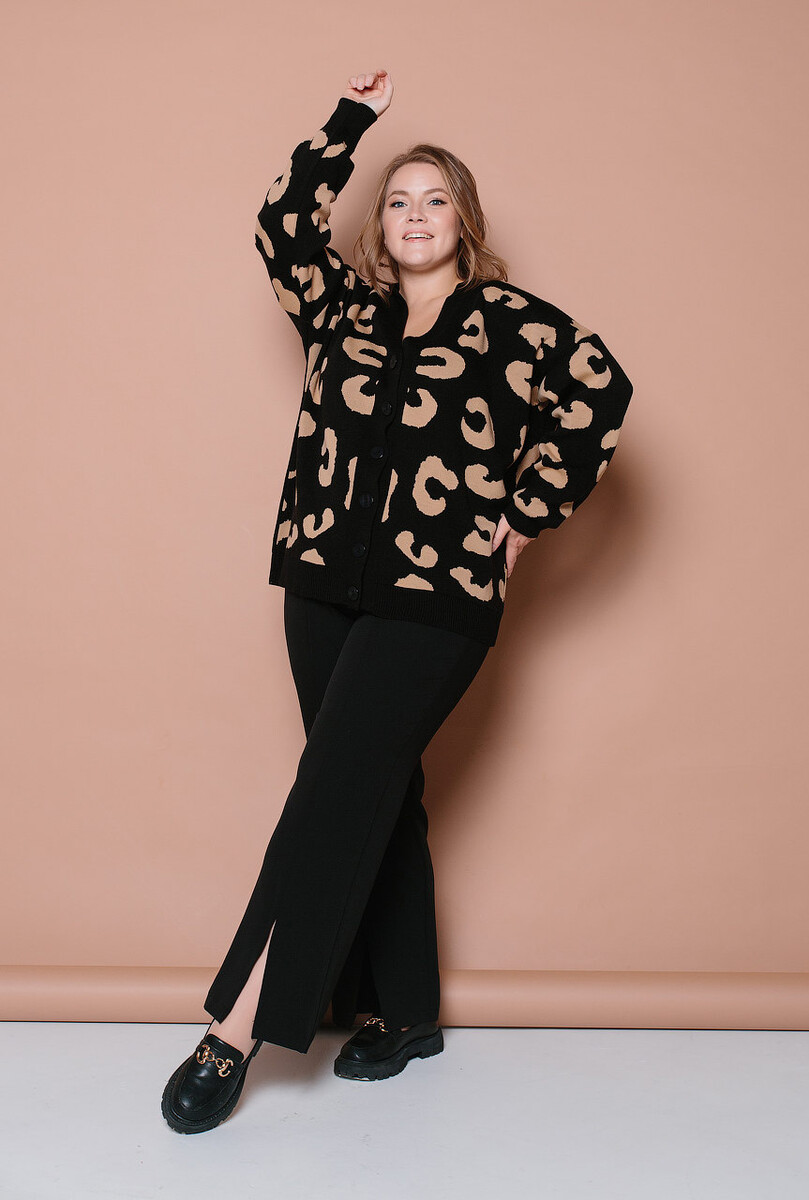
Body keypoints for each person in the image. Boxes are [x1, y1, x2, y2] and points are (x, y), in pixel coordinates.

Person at [161, 68, 633, 1134]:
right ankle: (406, 1010)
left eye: (436, 199)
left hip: (436, 597)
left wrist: (530, 508)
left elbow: (601, 392)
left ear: (465, 220)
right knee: (377, 789)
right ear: (380, 224)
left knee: (333, 792)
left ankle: (238, 1024)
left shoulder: (513, 326)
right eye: (398, 201)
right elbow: (283, 226)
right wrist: (350, 122)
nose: (415, 216)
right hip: (319, 583)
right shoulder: (342, 310)